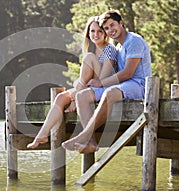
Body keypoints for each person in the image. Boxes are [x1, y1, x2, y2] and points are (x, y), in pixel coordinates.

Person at [62, 9, 152, 153]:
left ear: (121, 23)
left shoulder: (134, 41)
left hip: (139, 85)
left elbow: (128, 73)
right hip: (123, 85)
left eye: (112, 25)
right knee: (82, 96)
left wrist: (101, 82)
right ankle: (90, 142)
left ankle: (83, 135)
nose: (110, 30)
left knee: (110, 92)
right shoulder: (118, 47)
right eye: (106, 28)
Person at [27, 16, 118, 149]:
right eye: (92, 31)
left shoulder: (109, 49)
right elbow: (83, 79)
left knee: (89, 58)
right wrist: (77, 94)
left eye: (100, 31)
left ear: (105, 32)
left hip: (104, 88)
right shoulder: (91, 50)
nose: (96, 35)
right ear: (88, 33)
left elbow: (103, 79)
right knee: (60, 98)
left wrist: (77, 96)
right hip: (87, 88)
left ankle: (77, 103)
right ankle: (42, 134)